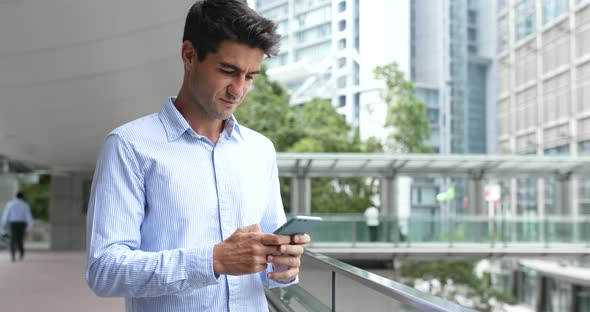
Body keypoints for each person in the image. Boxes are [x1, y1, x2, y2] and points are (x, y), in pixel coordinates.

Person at [85, 1, 311, 311]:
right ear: (189, 55)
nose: (238, 90)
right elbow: (104, 270)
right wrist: (213, 260)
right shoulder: (129, 146)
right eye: (228, 71)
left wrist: (284, 268)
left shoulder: (260, 151)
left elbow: (271, 268)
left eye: (250, 76)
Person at [1, 192, 33, 262]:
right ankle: (21, 252)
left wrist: (3, 224)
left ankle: (13, 254)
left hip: (13, 223)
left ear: (16, 196)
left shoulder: (10, 204)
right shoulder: (25, 205)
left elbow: (6, 214)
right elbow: (28, 216)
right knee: (20, 239)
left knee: (13, 238)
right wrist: (30, 225)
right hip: (22, 223)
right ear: (22, 197)